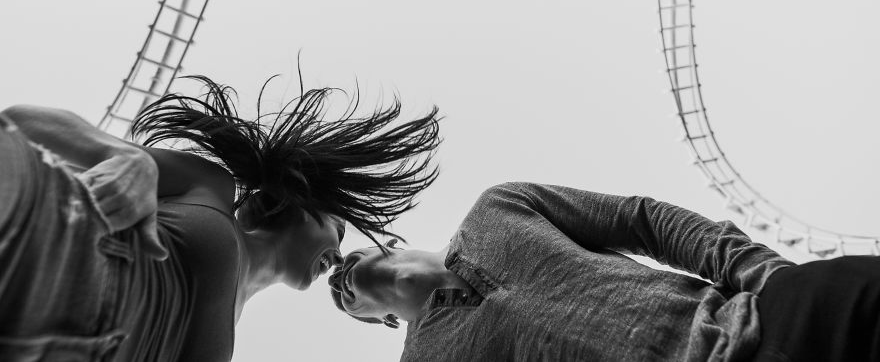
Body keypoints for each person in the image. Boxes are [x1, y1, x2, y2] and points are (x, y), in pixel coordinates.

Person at [0, 75, 441, 361]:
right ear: (299, 203)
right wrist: (128, 161)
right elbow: (23, 122)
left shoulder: (231, 332)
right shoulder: (210, 188)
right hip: (28, 221)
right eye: (339, 229)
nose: (338, 258)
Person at [329, 181, 880, 361]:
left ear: (389, 240)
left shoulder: (495, 210)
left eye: (343, 262)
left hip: (773, 318)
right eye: (340, 300)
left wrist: (767, 277)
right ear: (379, 322)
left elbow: (642, 221)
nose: (337, 281)